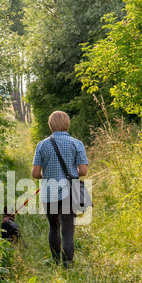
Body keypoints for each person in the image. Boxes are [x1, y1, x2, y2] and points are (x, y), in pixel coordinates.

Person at [32, 111, 89, 268]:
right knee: (68, 230)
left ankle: (55, 260)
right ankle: (68, 265)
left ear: (50, 125)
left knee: (54, 227)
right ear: (67, 124)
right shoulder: (76, 144)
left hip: (49, 192)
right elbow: (83, 172)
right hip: (69, 192)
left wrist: (48, 175)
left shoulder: (42, 145)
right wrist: (70, 174)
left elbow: (35, 173)